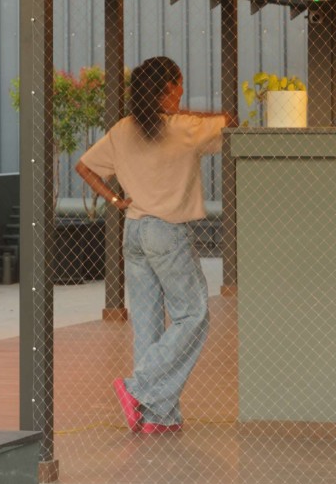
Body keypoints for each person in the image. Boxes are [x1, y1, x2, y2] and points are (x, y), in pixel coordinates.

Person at [76, 57, 226, 434]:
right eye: (178, 85)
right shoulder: (186, 128)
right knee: (193, 315)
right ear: (169, 88)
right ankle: (137, 388)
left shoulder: (124, 128)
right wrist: (188, 112)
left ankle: (157, 417)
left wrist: (113, 200)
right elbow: (230, 122)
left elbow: (84, 166)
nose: (181, 93)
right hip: (167, 234)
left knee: (146, 325)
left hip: (134, 230)